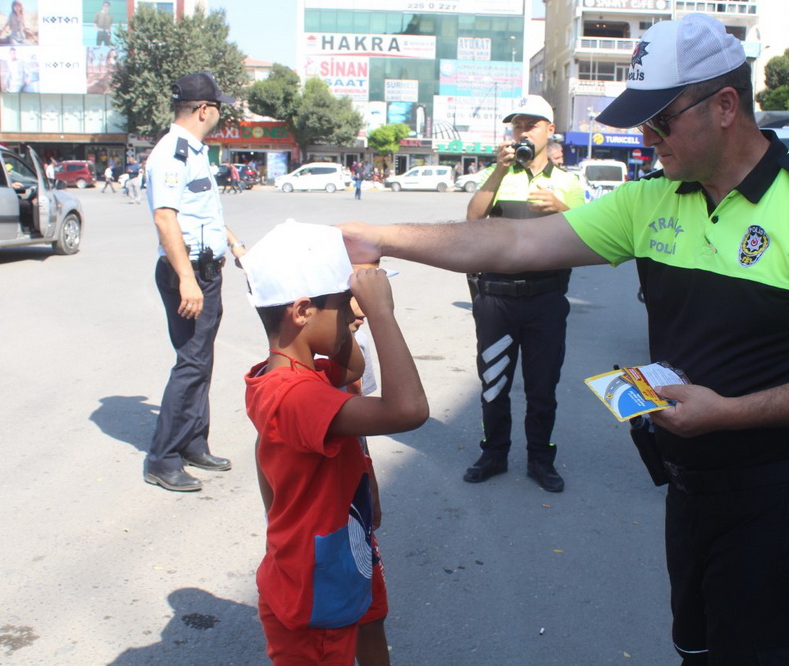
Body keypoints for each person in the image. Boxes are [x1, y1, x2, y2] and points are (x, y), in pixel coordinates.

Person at [340, 13, 789, 664]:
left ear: (724, 107)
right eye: (640, 118)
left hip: (786, 493)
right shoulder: (653, 200)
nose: (645, 135)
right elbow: (511, 241)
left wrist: (732, 413)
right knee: (696, 648)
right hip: (690, 484)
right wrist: (375, 236)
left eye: (660, 118)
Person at [242, 220, 427, 664]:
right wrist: (382, 313)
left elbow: (351, 371)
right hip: (316, 582)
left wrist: (350, 311)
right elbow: (409, 411)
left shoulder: (294, 375)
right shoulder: (296, 395)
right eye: (346, 306)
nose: (356, 314)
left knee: (369, 621)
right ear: (302, 311)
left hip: (340, 544)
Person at [462, 94, 586, 493]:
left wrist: (561, 207)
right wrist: (496, 174)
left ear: (550, 131)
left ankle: (540, 459)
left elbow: (587, 236)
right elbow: (473, 219)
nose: (522, 131)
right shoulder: (498, 176)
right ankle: (493, 453)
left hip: (545, 301)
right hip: (495, 300)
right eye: (517, 125)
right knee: (493, 383)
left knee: (542, 387)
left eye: (531, 124)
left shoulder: (567, 183)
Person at [143, 72, 247, 492]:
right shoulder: (170, 154)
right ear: (204, 109)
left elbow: (203, 215)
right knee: (190, 363)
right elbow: (165, 219)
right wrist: (187, 279)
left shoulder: (196, 151)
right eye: (218, 106)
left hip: (206, 270)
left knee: (200, 360)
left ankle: (192, 443)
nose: (220, 113)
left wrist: (236, 245)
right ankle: (162, 458)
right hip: (189, 274)